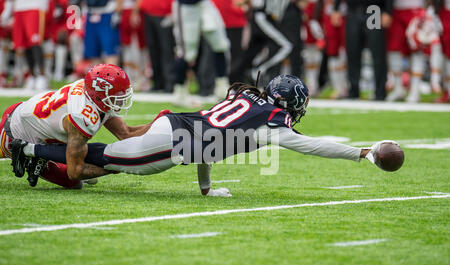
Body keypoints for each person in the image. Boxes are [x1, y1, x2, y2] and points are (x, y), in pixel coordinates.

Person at [11, 75, 386, 197]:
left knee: (110, 159)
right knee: (105, 160)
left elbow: (211, 143)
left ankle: (38, 151)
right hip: (169, 145)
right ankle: (26, 147)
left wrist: (206, 188)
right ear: (291, 103)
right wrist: (361, 153)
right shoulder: (270, 125)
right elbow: (312, 146)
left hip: (173, 127)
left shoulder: (247, 98)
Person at [1, 64, 151, 189]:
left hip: (33, 121)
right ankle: (29, 153)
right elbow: (75, 171)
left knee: (86, 168)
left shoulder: (92, 94)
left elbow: (126, 133)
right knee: (74, 182)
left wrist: (161, 122)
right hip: (14, 133)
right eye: (116, 96)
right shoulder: (81, 116)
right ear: (99, 96)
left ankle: (38, 155)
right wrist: (116, 166)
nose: (120, 101)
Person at [172, 0, 230, 106]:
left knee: (221, 45)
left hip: (204, 4)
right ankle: (180, 94)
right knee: (186, 53)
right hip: (186, 5)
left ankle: (222, 89)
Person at [332, 0, 391, 100]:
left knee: (378, 53)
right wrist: (336, 8)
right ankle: (353, 91)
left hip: (374, 12)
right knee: (352, 52)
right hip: (353, 11)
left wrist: (388, 11)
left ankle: (380, 93)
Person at [2, 0, 49, 90]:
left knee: (35, 41)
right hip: (19, 7)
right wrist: (8, 9)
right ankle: (32, 76)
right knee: (24, 43)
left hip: (35, 5)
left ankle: (42, 76)